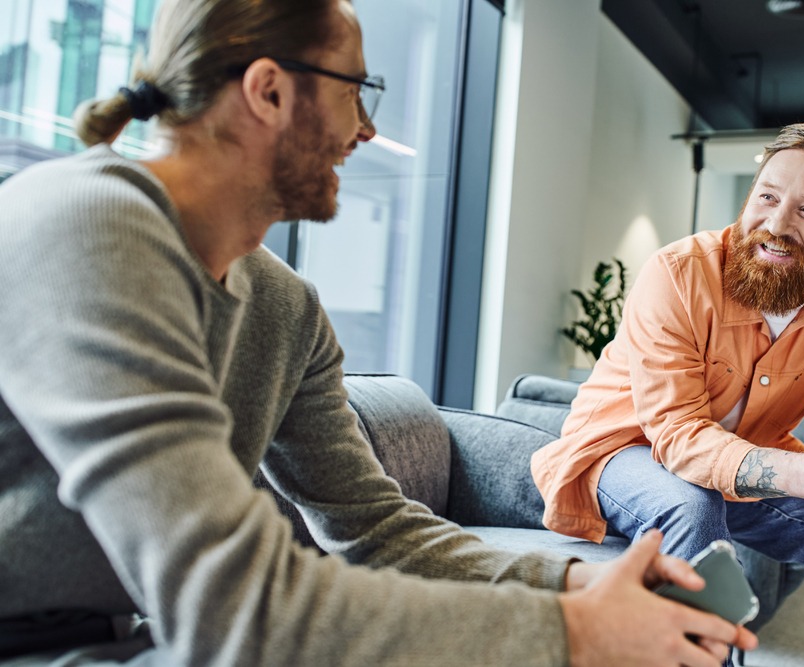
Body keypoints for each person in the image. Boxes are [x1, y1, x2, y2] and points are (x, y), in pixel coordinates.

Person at [0, 0, 758, 665]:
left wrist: (574, 582)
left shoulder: (284, 306)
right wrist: (571, 634)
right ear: (268, 90)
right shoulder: (90, 225)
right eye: (357, 90)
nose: (365, 128)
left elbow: (378, 528)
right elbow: (243, 607)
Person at [532, 121, 804, 667]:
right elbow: (674, 436)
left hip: (744, 467)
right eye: (768, 197)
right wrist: (802, 474)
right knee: (690, 504)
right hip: (622, 452)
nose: (776, 223)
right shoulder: (678, 274)